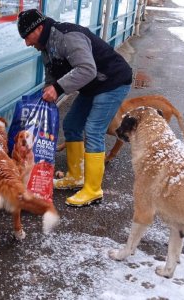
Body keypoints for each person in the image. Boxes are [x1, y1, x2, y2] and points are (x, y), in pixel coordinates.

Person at [17, 9, 132, 207]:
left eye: (27, 37)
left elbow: (87, 69)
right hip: (93, 85)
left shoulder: (67, 37)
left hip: (113, 80)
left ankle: (93, 190)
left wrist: (59, 88)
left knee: (94, 130)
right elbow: (52, 73)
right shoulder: (45, 44)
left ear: (40, 28)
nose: (27, 43)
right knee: (71, 124)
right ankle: (76, 176)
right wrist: (49, 88)